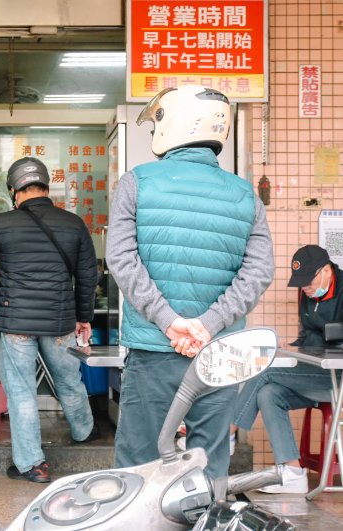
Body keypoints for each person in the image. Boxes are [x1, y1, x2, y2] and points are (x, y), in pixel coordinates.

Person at [107, 85, 274, 480]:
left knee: (138, 460)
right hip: (219, 352)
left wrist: (169, 321)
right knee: (208, 460)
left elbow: (121, 259)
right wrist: (208, 325)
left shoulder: (137, 181)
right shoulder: (244, 194)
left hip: (154, 348)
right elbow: (258, 272)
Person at [0, 157, 98, 484]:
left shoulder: (4, 223)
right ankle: (84, 431)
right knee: (69, 379)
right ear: (46, 185)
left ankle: (33, 464)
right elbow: (88, 274)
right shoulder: (72, 223)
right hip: (60, 319)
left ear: (15, 190)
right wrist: (83, 317)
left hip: (16, 321)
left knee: (21, 392)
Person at [231, 245, 342, 494]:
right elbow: (308, 337)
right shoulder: (307, 293)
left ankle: (227, 433)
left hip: (339, 377)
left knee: (264, 370)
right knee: (268, 393)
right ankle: (293, 473)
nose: (305, 288)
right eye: (301, 283)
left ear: (326, 270)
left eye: (309, 281)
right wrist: (290, 347)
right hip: (319, 373)